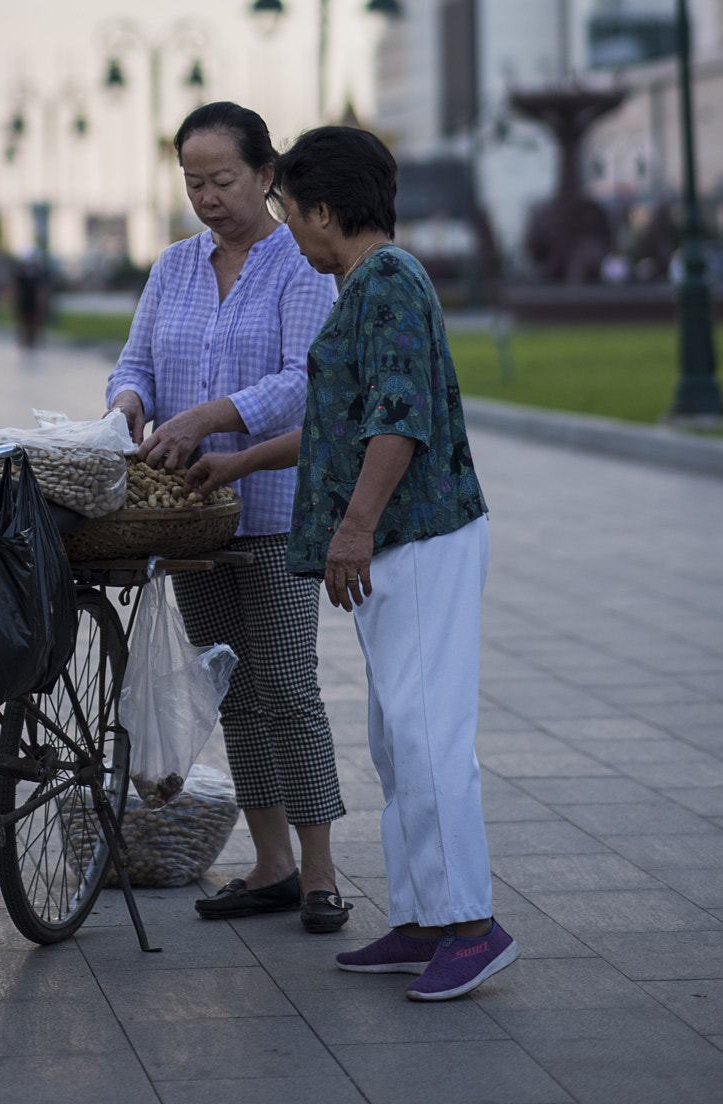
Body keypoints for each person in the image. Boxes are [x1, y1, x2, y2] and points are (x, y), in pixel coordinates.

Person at [273, 123, 516, 1000]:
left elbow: (398, 418)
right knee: (393, 737)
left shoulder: (386, 282)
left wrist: (353, 529)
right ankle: (420, 917)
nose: (288, 227)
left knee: (426, 734)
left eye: (289, 210)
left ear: (326, 210)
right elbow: (345, 422)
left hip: (418, 536)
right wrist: (234, 459)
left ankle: (472, 926)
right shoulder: (368, 286)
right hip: (399, 538)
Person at [106, 101, 349, 933]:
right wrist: (129, 403)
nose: (206, 197)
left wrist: (212, 416)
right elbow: (133, 360)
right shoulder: (174, 266)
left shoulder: (300, 265)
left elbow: (303, 381)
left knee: (287, 687)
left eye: (222, 179)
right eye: (191, 181)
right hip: (189, 519)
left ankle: (319, 872)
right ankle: (270, 863)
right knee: (233, 692)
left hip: (274, 509)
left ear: (265, 175)